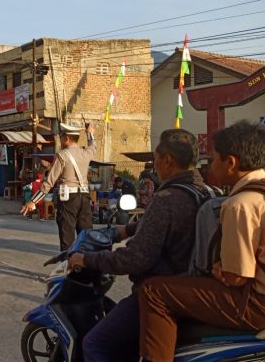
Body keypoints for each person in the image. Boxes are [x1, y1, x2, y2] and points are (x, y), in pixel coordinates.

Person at [66, 128, 209, 362]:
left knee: (94, 343)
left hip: (158, 294)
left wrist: (87, 259)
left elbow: (135, 258)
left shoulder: (167, 199)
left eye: (156, 159)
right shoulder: (201, 191)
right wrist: (127, 229)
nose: (155, 165)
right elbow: (166, 225)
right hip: (189, 288)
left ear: (168, 160)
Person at [138, 121, 265, 361]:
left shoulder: (240, 204)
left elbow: (237, 276)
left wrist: (220, 270)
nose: (210, 166)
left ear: (230, 163)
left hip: (259, 305)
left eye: (214, 159)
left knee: (153, 290)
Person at [21, 123, 97, 251]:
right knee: (85, 237)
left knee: (67, 238)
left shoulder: (62, 156)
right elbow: (93, 147)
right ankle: (87, 267)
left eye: (61, 136)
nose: (60, 139)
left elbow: (49, 182)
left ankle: (67, 267)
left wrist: (33, 201)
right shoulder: (86, 153)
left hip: (68, 200)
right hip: (84, 198)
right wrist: (90, 133)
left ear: (66, 138)